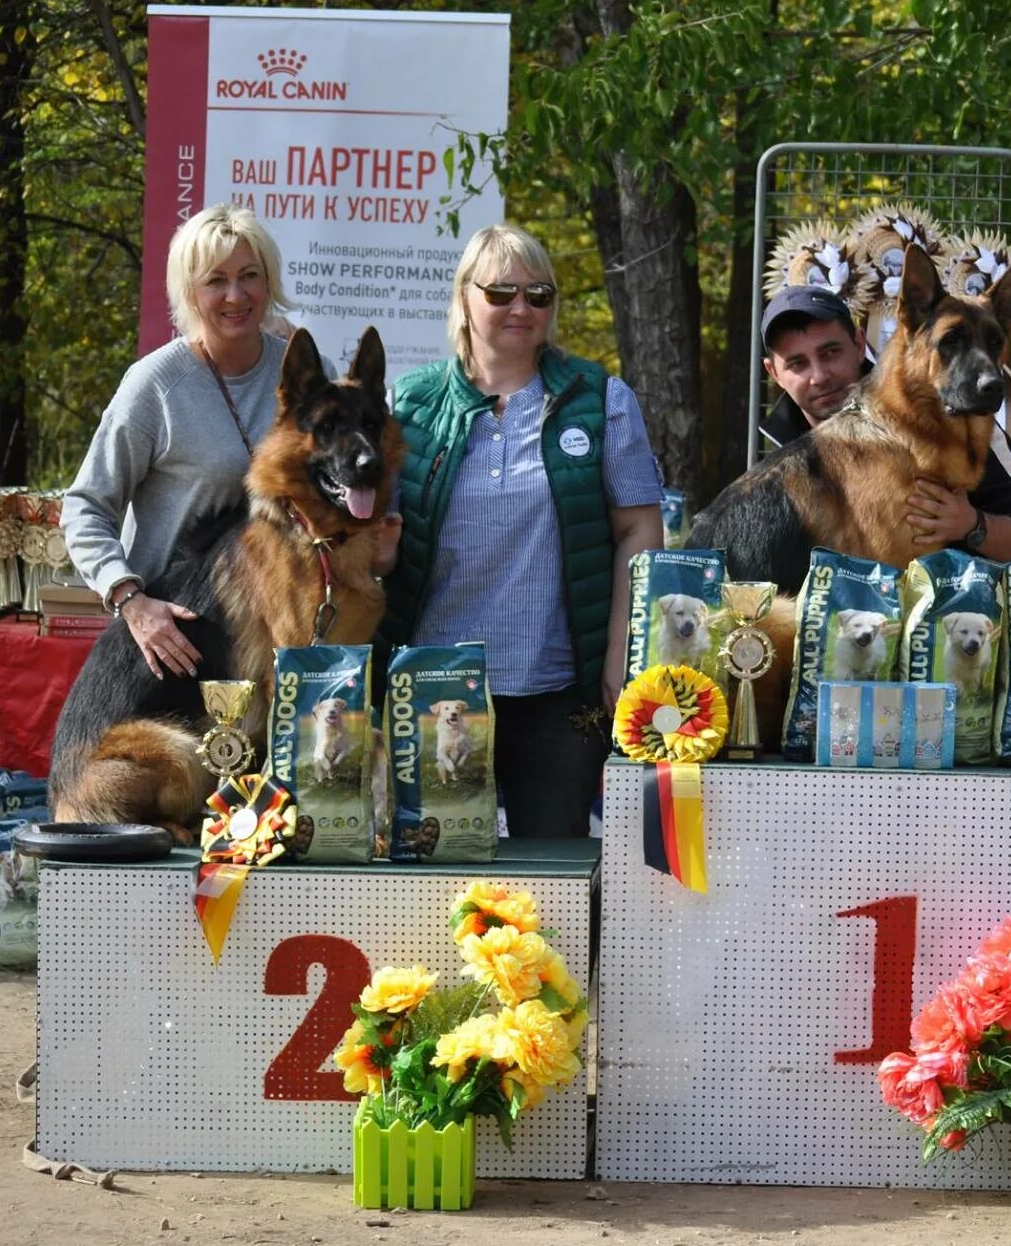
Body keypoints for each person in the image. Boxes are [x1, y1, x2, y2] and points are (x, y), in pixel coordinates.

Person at [376, 224, 664, 838]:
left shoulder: (600, 398)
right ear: (464, 297)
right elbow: (374, 540)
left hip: (556, 686)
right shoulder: (408, 404)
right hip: (436, 686)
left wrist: (620, 655)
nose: (521, 308)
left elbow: (639, 528)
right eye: (502, 291)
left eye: (539, 295)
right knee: (434, 876)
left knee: (553, 875)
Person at [65, 204, 398, 680]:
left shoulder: (308, 371)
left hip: (271, 627)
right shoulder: (156, 386)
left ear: (268, 283)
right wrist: (132, 601)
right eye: (216, 280)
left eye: (249, 276)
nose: (235, 295)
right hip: (175, 635)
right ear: (190, 291)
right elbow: (84, 506)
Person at [757, 286, 1011, 560]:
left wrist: (972, 526)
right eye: (798, 363)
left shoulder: (959, 418)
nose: (819, 375)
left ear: (860, 345)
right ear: (774, 373)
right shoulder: (782, 454)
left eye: (830, 352)